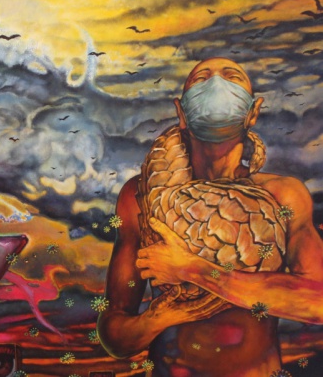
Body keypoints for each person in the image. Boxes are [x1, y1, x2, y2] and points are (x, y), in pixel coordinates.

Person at [97, 57, 323, 376]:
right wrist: (159, 318)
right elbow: (113, 334)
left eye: (232, 77)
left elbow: (317, 301)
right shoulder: (141, 196)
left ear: (253, 112)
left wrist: (195, 270)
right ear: (182, 113)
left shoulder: (283, 195)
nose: (216, 82)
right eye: (201, 78)